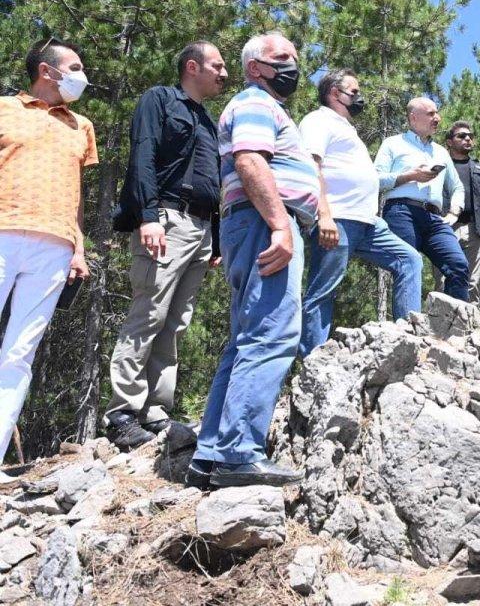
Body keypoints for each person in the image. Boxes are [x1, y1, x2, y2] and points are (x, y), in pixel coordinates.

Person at [187, 31, 319, 489]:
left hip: (251, 222)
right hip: (265, 221)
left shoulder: (261, 105)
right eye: (281, 57)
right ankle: (239, 452)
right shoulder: (256, 103)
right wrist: (281, 225)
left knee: (247, 337)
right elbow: (250, 162)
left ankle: (210, 453)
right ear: (254, 67)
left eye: (295, 57)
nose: (292, 65)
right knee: (272, 334)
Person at [104, 41, 226, 451]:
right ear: (192, 66)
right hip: (167, 219)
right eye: (217, 66)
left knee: (175, 322)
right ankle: (122, 413)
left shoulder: (208, 121)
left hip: (201, 230)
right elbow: (143, 156)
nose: (224, 73)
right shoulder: (159, 99)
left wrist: (215, 240)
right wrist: (148, 216)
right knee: (149, 313)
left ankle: (155, 410)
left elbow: (214, 181)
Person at [0, 39, 95, 482]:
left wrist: (79, 248)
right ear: (47, 71)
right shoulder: (4, 109)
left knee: (20, 354)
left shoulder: (81, 126)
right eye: (74, 67)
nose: (82, 76)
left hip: (55, 247)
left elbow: (77, 192)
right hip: (2, 230)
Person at [298, 70, 422, 356]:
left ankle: (409, 342)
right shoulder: (317, 120)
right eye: (353, 92)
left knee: (409, 260)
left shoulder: (347, 128)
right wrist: (324, 215)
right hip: (338, 218)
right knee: (323, 290)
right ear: (334, 93)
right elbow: (311, 167)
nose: (359, 98)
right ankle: (313, 361)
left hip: (367, 222)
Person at [376, 98, 470, 302]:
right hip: (401, 212)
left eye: (437, 113)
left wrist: (454, 212)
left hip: (434, 218)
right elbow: (376, 180)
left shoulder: (441, 152)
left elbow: (457, 187)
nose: (437, 118)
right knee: (408, 267)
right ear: (413, 117)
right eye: (430, 113)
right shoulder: (392, 143)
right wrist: (410, 176)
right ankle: (408, 321)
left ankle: (456, 321)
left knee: (458, 264)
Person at [437, 120, 480, 303]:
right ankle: (440, 320)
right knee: (443, 281)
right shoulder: (439, 168)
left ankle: (471, 318)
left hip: (475, 230)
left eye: (470, 136)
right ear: (449, 142)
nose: (467, 139)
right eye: (461, 136)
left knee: (472, 283)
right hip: (444, 229)